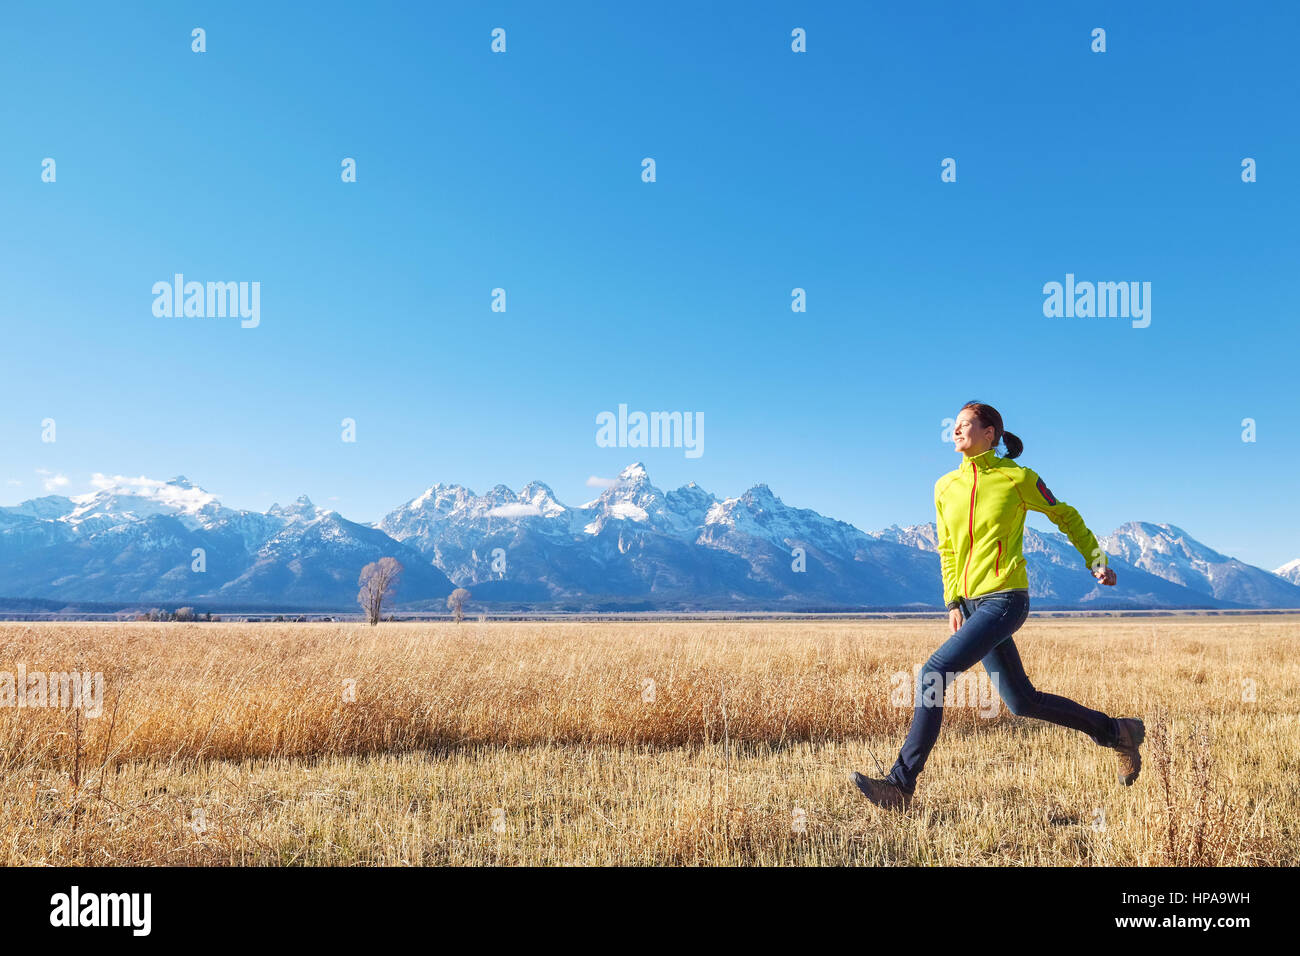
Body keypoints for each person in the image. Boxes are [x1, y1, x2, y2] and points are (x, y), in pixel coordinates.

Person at [851, 401, 1144, 811]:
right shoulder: (944, 487)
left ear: (990, 433)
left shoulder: (1017, 477)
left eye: (964, 425)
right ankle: (1117, 732)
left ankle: (900, 784)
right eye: (953, 426)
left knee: (934, 673)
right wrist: (953, 600)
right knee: (1021, 701)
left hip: (1006, 598)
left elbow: (1066, 516)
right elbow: (948, 550)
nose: (955, 431)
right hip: (970, 605)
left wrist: (1097, 561)